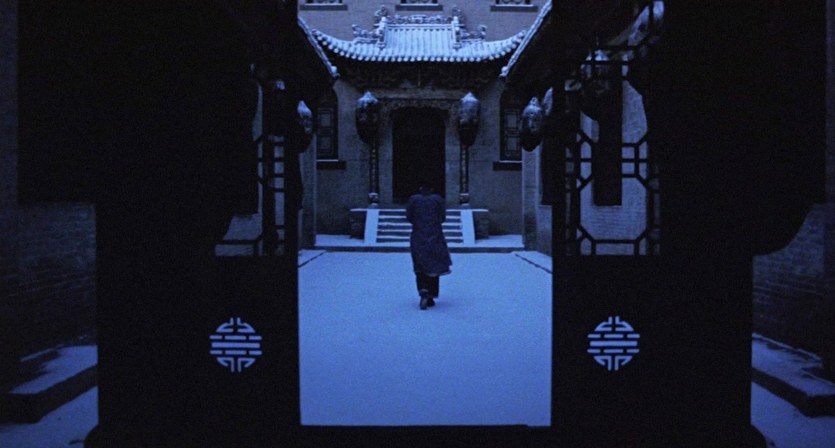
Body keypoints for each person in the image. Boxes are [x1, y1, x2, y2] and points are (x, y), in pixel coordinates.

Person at [406, 185, 452, 310]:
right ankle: (431, 294)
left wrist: (419, 223)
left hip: (418, 236)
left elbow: (409, 217)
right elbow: (442, 217)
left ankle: (423, 288)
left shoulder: (414, 200)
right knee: (434, 265)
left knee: (420, 265)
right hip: (435, 235)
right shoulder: (437, 200)